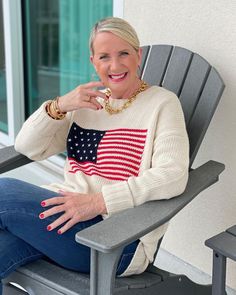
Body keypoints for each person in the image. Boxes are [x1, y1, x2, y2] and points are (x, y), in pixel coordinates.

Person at [0, 17, 189, 293]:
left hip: (115, 239)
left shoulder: (162, 103)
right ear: (93, 62)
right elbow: (27, 146)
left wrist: (98, 202)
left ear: (139, 55)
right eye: (104, 57)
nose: (115, 65)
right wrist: (60, 105)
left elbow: (172, 175)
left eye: (123, 53)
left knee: (2, 190)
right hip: (62, 219)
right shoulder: (87, 102)